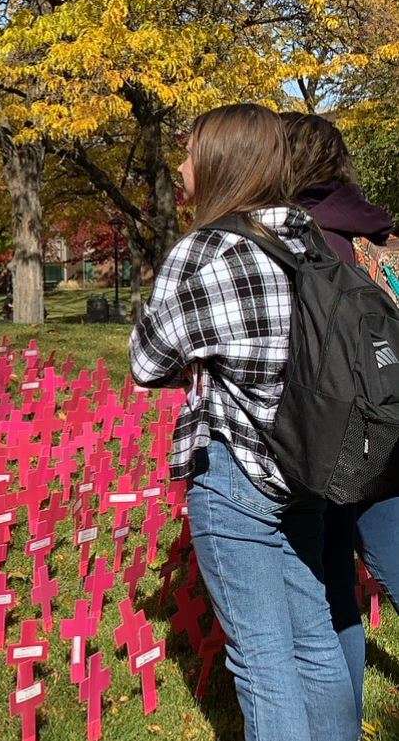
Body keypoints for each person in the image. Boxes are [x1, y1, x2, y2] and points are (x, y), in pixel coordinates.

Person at [131, 103, 356, 741]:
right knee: (313, 638)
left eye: (191, 152)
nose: (180, 167)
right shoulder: (308, 240)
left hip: (237, 470)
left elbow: (147, 361)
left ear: (222, 163)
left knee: (260, 658)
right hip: (307, 460)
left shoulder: (206, 249)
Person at [282, 111, 399, 718]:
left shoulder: (298, 240)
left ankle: (340, 720)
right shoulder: (378, 232)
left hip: (333, 436)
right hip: (393, 425)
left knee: (331, 590)